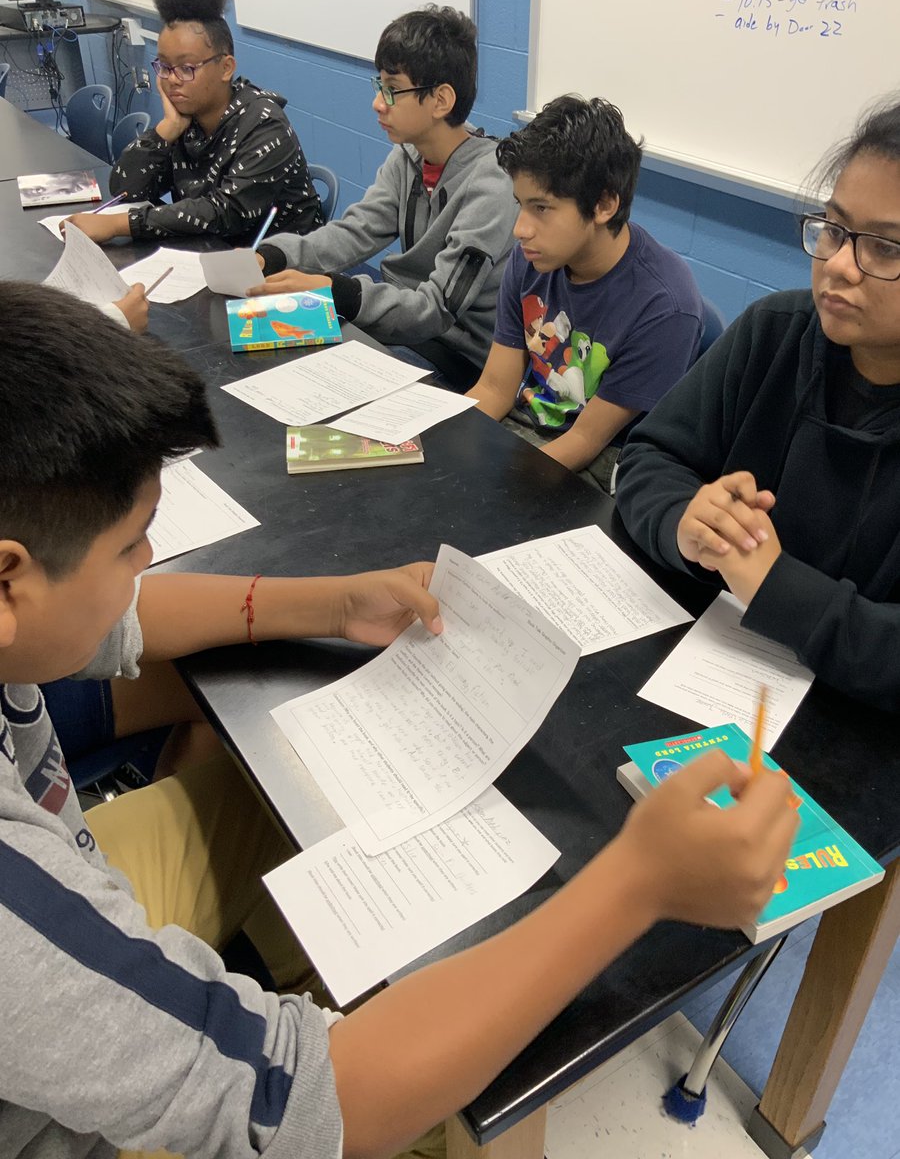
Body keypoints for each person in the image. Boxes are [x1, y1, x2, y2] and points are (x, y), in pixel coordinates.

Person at [0, 280, 799, 1159]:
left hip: (74, 878)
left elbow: (122, 628)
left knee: (274, 795)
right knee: (475, 1108)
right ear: (11, 580)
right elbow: (297, 1107)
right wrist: (638, 882)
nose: (148, 560)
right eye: (130, 545)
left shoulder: (19, 625)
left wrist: (332, 602)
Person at [616, 97, 900, 711]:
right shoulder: (776, 331)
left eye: (887, 249)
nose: (841, 266)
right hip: (714, 682)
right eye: (835, 228)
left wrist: (775, 586)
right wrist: (685, 524)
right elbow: (647, 458)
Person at [248, 6, 517, 372]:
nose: (378, 103)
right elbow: (354, 233)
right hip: (407, 329)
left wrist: (335, 291)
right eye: (379, 86)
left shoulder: (493, 185)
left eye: (392, 90)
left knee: (323, 374)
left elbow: (435, 310)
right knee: (258, 335)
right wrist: (271, 256)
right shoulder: (407, 156)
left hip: (459, 357)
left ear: (441, 100)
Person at [465, 96, 703, 493]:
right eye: (521, 205)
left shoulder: (665, 307)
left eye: (541, 207)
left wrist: (493, 487)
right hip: (520, 433)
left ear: (604, 204)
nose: (521, 229)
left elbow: (585, 442)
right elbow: (493, 388)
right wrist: (439, 444)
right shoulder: (533, 258)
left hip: (591, 469)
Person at [65, 0, 321, 247]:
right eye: (164, 67)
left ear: (226, 68)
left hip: (280, 272)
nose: (172, 80)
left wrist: (120, 224)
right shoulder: (187, 120)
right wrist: (166, 130)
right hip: (208, 256)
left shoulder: (264, 124)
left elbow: (225, 212)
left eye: (186, 69)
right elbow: (126, 190)